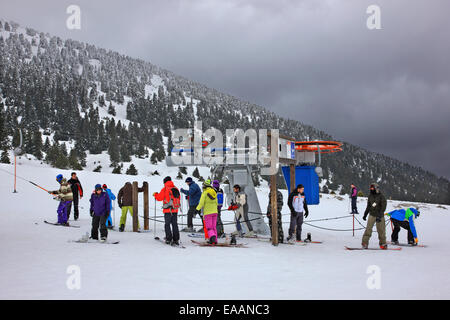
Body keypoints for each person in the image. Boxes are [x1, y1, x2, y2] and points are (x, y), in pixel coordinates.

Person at [154, 176, 181, 245]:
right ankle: (176, 239)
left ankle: (168, 239)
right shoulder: (175, 188)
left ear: (165, 182)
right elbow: (179, 198)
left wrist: (155, 194)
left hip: (167, 210)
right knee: (175, 224)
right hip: (175, 209)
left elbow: (159, 198)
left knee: (167, 224)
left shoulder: (165, 189)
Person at [362, 183, 388, 249]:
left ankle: (383, 243)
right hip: (372, 215)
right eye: (370, 188)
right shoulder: (370, 196)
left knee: (381, 230)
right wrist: (365, 214)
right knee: (368, 229)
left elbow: (383, 207)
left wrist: (379, 215)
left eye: (372, 188)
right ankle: (365, 243)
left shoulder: (381, 196)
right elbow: (368, 206)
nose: (371, 189)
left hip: (380, 216)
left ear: (376, 188)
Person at [196, 179, 219, 244]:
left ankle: (212, 237)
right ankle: (215, 240)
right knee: (214, 227)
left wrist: (197, 209)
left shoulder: (205, 192)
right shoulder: (214, 192)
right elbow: (217, 203)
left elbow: (201, 203)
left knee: (209, 227)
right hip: (215, 212)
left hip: (208, 212)